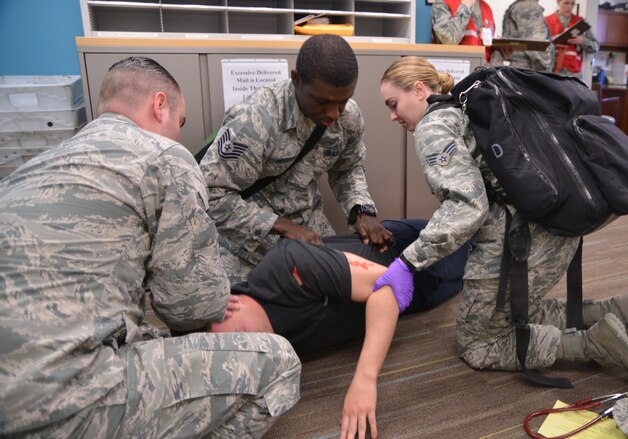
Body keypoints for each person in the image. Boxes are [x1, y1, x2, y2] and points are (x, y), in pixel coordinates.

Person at [0, 56, 301, 437]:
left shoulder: (30, 168)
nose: (178, 134)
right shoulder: (165, 158)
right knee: (280, 363)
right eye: (181, 121)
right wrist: (212, 298)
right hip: (59, 401)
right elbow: (188, 307)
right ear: (160, 105)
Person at [376, 56, 628, 385]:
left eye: (393, 104)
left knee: (478, 343)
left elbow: (468, 207)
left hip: (520, 241)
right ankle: (617, 311)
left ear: (419, 90)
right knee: (516, 309)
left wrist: (408, 262)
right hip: (554, 226)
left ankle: (594, 343)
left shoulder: (432, 128)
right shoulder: (466, 106)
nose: (393, 116)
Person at [207, 219, 469, 439]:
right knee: (472, 279)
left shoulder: (285, 266)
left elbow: (391, 285)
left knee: (484, 245)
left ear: (230, 299)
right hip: (413, 302)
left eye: (236, 334)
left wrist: (365, 380)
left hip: (405, 250)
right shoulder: (268, 352)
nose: (245, 346)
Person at [200, 34, 393, 284]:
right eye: (322, 101)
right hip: (247, 241)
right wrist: (281, 226)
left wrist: (361, 210)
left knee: (349, 294)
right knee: (245, 315)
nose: (334, 113)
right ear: (296, 80)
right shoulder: (256, 120)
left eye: (342, 101)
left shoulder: (349, 117)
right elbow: (210, 195)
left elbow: (348, 168)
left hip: (310, 231)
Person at [488, 0, 554, 71]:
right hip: (529, 71)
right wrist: (547, 69)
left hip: (519, 71)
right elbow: (538, 46)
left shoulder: (520, 6)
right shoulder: (528, 7)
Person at [546, 0, 600, 80]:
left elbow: (596, 47)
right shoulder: (547, 21)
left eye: (572, 3)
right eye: (566, 3)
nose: (569, 7)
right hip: (551, 72)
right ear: (558, 2)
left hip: (574, 74)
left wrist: (582, 41)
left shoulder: (581, 22)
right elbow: (539, 46)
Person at [431, 0, 496, 61]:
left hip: (480, 69)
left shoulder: (486, 8)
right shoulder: (443, 3)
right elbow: (449, 39)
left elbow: (489, 49)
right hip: (455, 68)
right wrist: (465, 7)